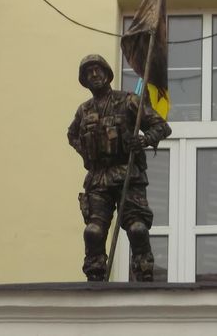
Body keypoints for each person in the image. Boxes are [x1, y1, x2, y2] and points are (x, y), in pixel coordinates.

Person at [67, 54, 171, 281]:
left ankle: (144, 272)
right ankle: (95, 275)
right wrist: (87, 153)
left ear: (107, 74)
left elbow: (162, 127)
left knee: (137, 229)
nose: (94, 74)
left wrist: (143, 140)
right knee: (93, 232)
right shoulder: (84, 110)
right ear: (84, 80)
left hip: (128, 175)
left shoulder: (128, 101)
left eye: (98, 70)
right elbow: (72, 135)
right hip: (98, 178)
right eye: (89, 72)